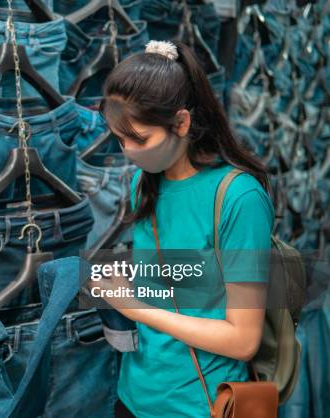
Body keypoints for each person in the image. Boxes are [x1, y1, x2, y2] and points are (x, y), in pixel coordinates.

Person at [96, 40, 275, 418]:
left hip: (200, 407)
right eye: (119, 138)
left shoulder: (238, 197)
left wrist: (137, 308)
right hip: (132, 398)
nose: (127, 151)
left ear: (181, 122)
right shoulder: (144, 183)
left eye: (139, 138)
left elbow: (243, 340)